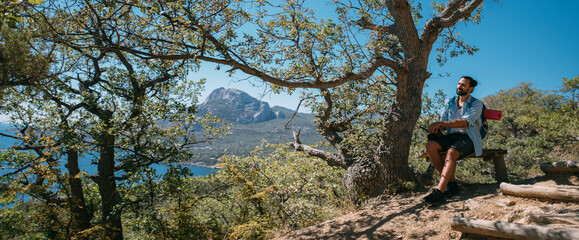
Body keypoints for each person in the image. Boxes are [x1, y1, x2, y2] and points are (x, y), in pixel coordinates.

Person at [422, 76, 484, 205]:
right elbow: (445, 123)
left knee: (451, 152)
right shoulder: (450, 102)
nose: (459, 87)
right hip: (452, 136)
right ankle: (452, 185)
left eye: (463, 85)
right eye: (458, 84)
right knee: (430, 146)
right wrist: (437, 128)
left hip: (469, 138)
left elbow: (464, 122)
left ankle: (439, 191)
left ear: (470, 88)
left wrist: (442, 123)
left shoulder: (477, 104)